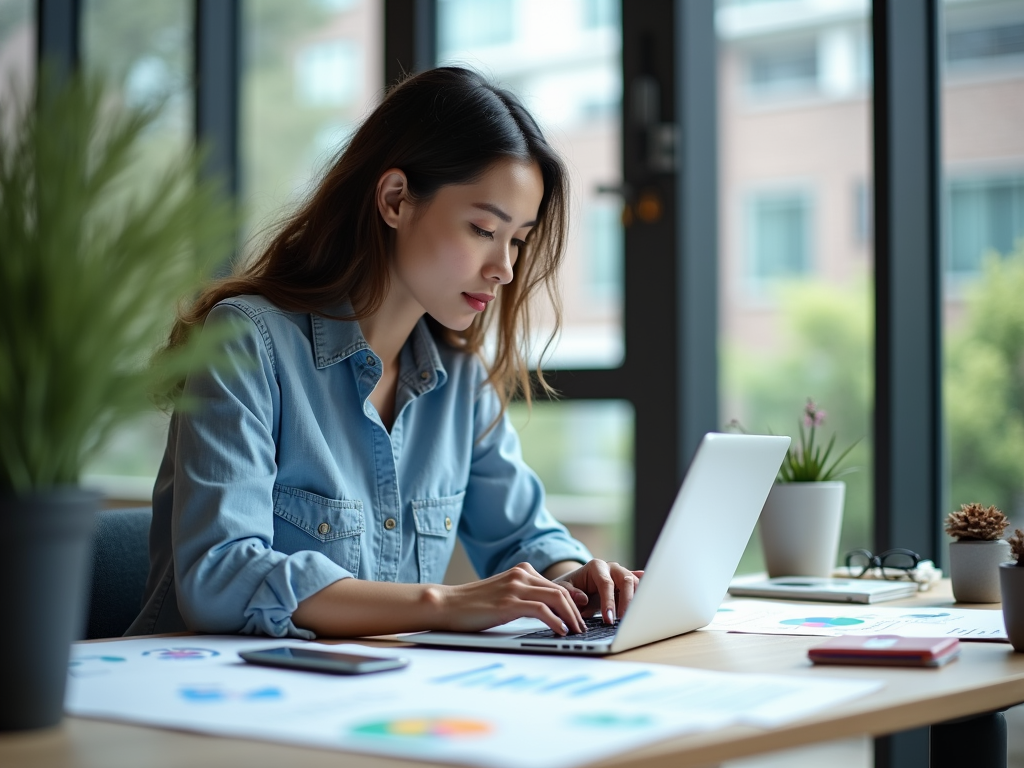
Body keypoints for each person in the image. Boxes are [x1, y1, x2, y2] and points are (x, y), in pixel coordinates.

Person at [127, 67, 640, 641]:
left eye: (517, 240)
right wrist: (442, 604)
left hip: (370, 700)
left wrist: (577, 581)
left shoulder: (460, 383)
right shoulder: (247, 343)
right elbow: (221, 578)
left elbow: (527, 537)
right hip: (205, 702)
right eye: (481, 229)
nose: (505, 268)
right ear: (396, 199)